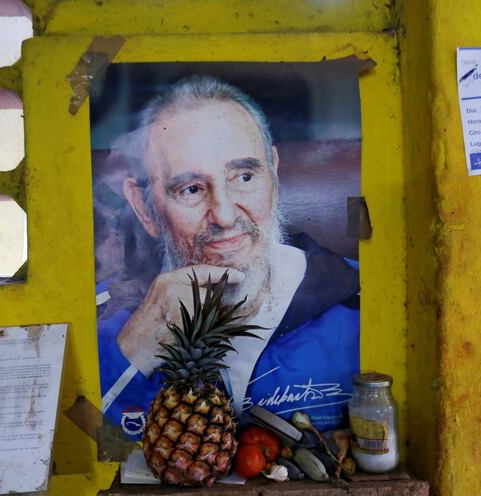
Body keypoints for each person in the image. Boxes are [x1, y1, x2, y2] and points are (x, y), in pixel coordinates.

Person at [96, 75, 360, 439]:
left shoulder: (363, 302)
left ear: (273, 177)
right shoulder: (99, 320)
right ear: (144, 208)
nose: (223, 215)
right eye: (191, 189)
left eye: (244, 177)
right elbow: (75, 448)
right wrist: (131, 352)